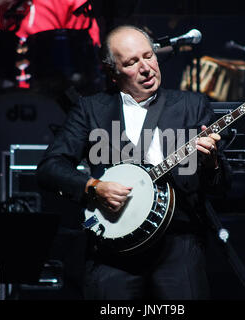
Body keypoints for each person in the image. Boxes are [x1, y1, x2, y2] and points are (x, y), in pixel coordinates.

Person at [36, 25, 232, 299]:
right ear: (113, 74)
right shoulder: (90, 110)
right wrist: (93, 187)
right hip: (112, 248)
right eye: (131, 62)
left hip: (177, 241)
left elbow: (222, 186)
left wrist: (211, 164)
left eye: (149, 56)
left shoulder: (191, 106)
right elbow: (49, 168)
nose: (146, 67)